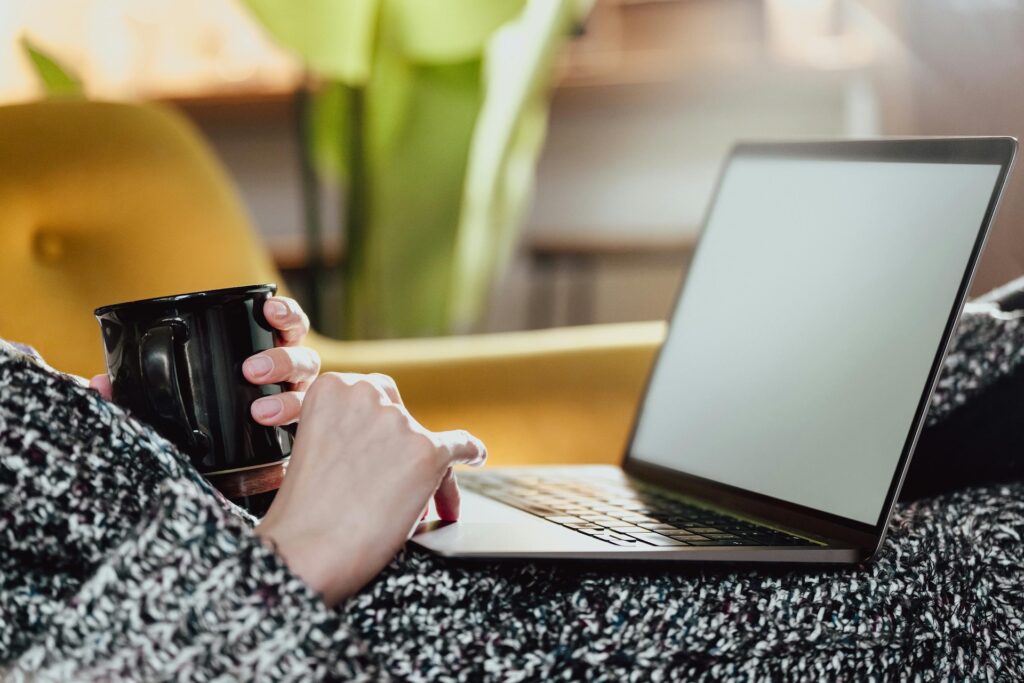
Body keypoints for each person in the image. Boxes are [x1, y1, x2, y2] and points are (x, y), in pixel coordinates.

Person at [1, 287, 1024, 681]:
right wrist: (297, 547)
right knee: (966, 551)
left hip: (473, 569)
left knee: (949, 365)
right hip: (488, 644)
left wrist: (200, 474)